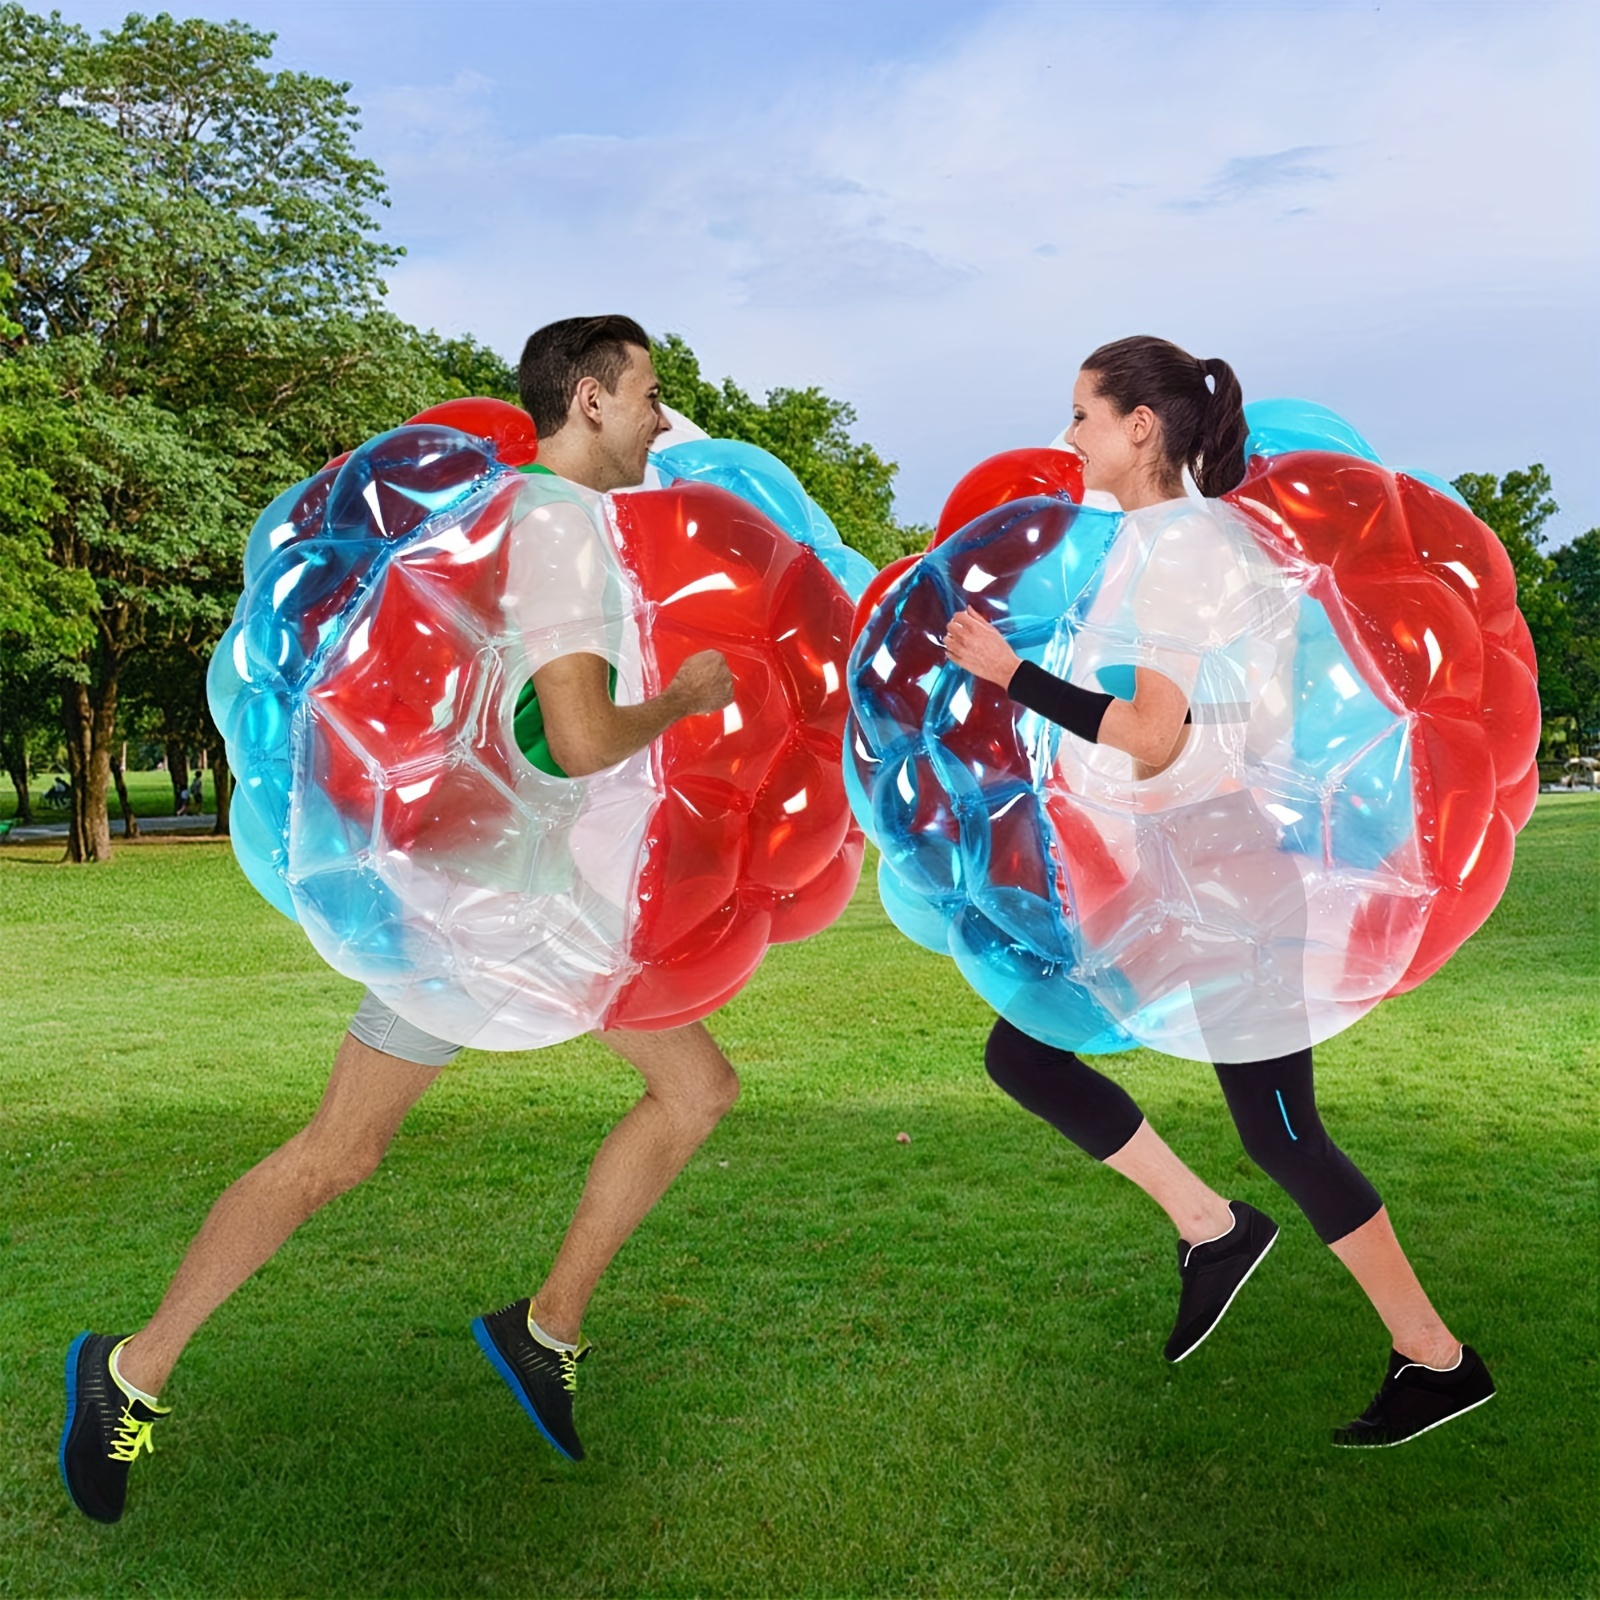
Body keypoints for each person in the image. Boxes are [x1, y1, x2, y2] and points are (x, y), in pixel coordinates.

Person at [60, 316, 740, 1523]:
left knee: (673, 1092)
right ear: (589, 398)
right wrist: (679, 700)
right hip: (490, 910)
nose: (658, 415)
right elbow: (578, 736)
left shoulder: (512, 512)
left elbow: (520, 723)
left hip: (508, 889)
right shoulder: (557, 526)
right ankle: (132, 1369)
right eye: (647, 392)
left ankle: (538, 1328)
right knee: (342, 1152)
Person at [943, 335, 1495, 1448]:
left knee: (1285, 1134)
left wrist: (1012, 678)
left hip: (1224, 881)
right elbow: (1229, 723)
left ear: (1140, 426)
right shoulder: (1200, 538)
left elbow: (1151, 731)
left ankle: (1434, 1357)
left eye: (1085, 417)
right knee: (1028, 1052)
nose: (1070, 438)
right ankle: (1211, 1227)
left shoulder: (1176, 549)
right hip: (1191, 867)